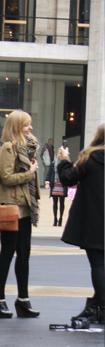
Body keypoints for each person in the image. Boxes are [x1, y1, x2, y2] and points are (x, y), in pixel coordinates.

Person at [0, 110, 40, 319]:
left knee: (24, 254)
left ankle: (23, 300)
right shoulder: (9, 148)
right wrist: (31, 172)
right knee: (8, 252)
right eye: (27, 125)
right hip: (11, 206)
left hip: (25, 206)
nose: (31, 128)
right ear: (17, 126)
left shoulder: (28, 148)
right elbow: (7, 177)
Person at [57, 124, 104, 325]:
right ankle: (97, 305)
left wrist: (64, 161)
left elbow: (68, 178)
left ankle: (100, 305)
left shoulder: (89, 157)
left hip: (93, 219)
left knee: (98, 264)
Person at [44, 151, 67, 227]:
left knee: (62, 203)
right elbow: (49, 173)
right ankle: (55, 218)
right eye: (59, 153)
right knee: (55, 203)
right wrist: (47, 183)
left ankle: (60, 219)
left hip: (62, 185)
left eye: (61, 153)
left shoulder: (65, 163)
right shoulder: (54, 163)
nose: (60, 155)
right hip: (55, 185)